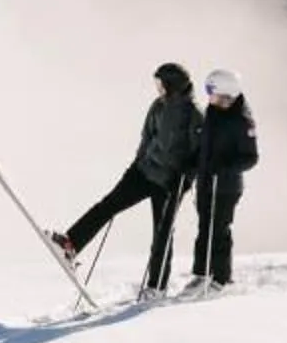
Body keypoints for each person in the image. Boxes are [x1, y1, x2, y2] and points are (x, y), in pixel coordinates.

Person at [47, 62, 202, 292]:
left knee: (162, 234)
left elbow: (198, 154)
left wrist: (185, 180)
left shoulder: (194, 113)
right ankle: (70, 244)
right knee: (108, 205)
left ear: (172, 84)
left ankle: (156, 286)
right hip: (144, 172)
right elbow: (147, 137)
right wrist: (136, 164)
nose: (157, 88)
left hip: (169, 183)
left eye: (161, 84)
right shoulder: (158, 106)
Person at [188, 67, 258, 290]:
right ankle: (201, 274)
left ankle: (221, 278)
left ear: (227, 93)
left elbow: (251, 158)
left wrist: (225, 167)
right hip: (207, 182)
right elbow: (206, 146)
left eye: (213, 93)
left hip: (226, 186)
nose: (210, 97)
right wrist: (194, 160)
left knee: (219, 230)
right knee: (204, 228)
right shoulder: (212, 112)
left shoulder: (242, 121)